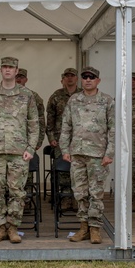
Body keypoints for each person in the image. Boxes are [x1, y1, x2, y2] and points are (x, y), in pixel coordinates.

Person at [0, 57, 40, 244]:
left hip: (18, 151)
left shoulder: (26, 95)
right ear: (0, 70)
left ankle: (13, 228)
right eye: (4, 67)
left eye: (11, 67)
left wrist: (30, 147)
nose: (7, 70)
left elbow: (34, 124)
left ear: (16, 71)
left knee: (17, 191)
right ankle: (0, 227)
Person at [60, 66, 114, 244]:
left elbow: (113, 129)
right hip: (77, 153)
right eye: (85, 77)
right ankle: (83, 227)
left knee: (96, 193)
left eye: (92, 77)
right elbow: (66, 125)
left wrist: (109, 152)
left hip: (98, 155)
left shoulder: (106, 101)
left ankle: (95, 228)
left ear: (98, 80)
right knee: (80, 192)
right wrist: (65, 149)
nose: (88, 80)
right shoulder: (74, 100)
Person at [46, 67, 80, 205]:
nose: (70, 78)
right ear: (63, 79)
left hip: (79, 138)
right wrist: (51, 138)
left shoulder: (82, 95)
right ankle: (65, 198)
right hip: (61, 139)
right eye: (67, 76)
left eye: (72, 76)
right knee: (64, 169)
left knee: (79, 168)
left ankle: (77, 198)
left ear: (77, 78)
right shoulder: (56, 96)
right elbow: (50, 119)